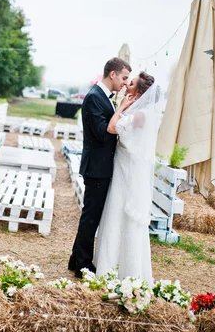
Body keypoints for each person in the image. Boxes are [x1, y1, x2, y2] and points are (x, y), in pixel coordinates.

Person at [68, 57, 132, 278]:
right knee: (90, 218)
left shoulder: (103, 97)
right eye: (124, 77)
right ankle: (83, 266)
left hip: (100, 166)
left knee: (91, 216)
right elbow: (103, 132)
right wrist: (122, 109)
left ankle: (76, 258)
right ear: (112, 74)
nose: (125, 82)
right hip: (97, 167)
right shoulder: (95, 97)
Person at [94, 71, 160, 284]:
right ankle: (114, 264)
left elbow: (113, 128)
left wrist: (121, 107)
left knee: (120, 215)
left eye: (130, 83)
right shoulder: (141, 111)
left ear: (138, 92)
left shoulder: (140, 115)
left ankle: (122, 269)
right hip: (124, 170)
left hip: (128, 174)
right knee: (116, 216)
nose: (126, 85)